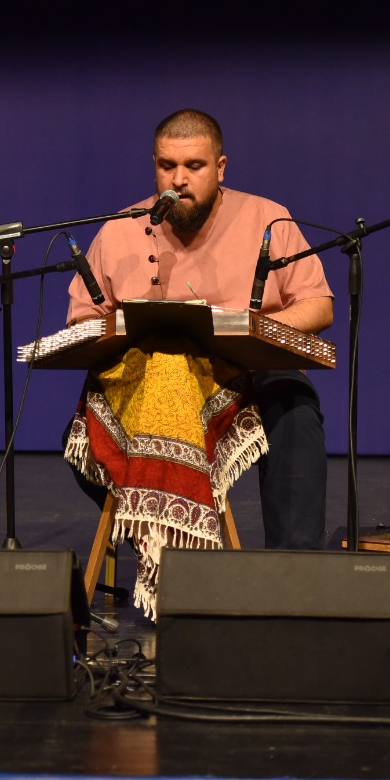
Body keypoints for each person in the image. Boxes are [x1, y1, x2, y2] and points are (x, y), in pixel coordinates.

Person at [66, 109, 334, 559]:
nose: (179, 180)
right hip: (154, 385)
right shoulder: (120, 229)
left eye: (194, 166)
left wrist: (253, 330)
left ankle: (294, 569)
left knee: (296, 411)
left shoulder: (267, 218)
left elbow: (318, 304)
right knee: (83, 437)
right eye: (167, 166)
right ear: (154, 165)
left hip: (246, 370)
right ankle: (176, 558)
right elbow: (83, 320)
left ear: (221, 168)